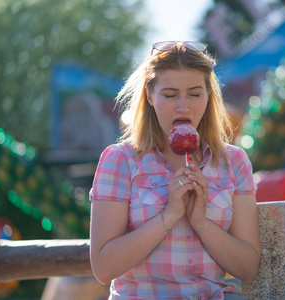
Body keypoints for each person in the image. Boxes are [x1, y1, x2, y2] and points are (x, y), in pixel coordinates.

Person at [89, 41, 260, 300]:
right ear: (150, 95)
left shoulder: (234, 161)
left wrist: (201, 222)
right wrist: (169, 216)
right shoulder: (120, 160)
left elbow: (247, 268)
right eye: (170, 95)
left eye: (195, 94)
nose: (184, 107)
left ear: (209, 95)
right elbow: (103, 268)